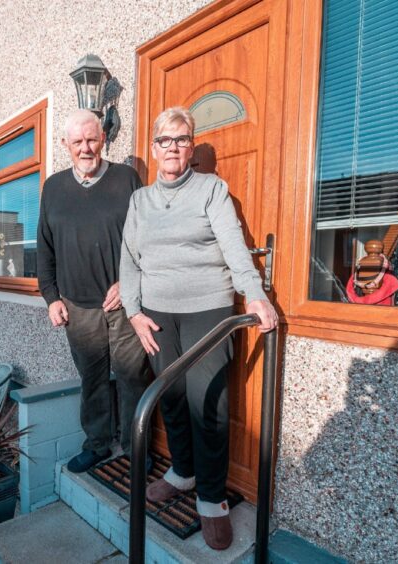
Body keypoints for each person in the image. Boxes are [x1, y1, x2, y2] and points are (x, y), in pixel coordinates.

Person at [119, 106, 277, 550]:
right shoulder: (139, 201)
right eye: (165, 141)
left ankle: (211, 499)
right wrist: (133, 310)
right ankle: (182, 473)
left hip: (208, 309)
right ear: (154, 149)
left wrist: (255, 295)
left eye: (181, 139)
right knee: (170, 399)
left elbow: (233, 245)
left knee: (208, 404)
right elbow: (128, 260)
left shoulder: (211, 189)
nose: (173, 148)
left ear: (191, 147)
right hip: (155, 313)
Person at [37, 109, 152, 473]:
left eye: (92, 140)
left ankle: (136, 448)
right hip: (76, 306)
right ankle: (98, 444)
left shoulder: (127, 179)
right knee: (93, 379)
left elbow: (145, 240)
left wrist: (127, 280)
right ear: (65, 145)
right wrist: (51, 296)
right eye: (77, 142)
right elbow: (44, 245)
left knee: (133, 377)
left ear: (103, 138)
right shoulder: (53, 187)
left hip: (124, 302)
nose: (86, 148)